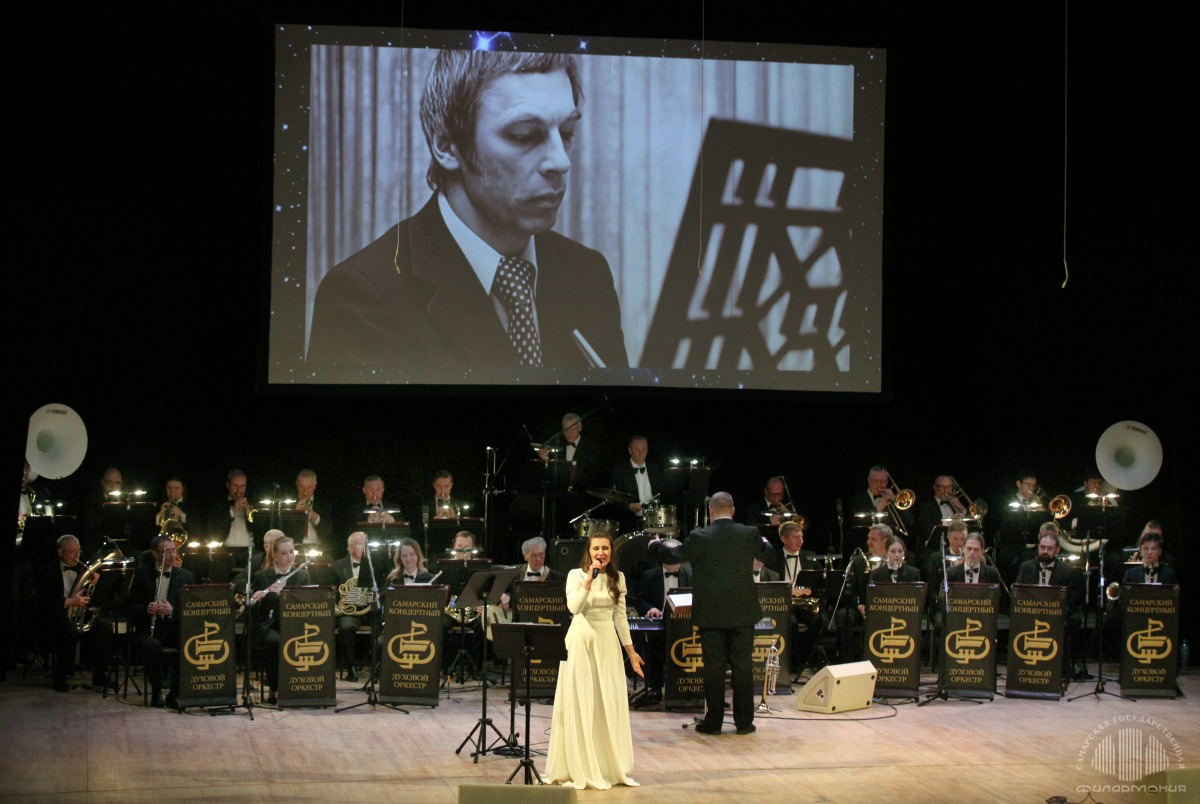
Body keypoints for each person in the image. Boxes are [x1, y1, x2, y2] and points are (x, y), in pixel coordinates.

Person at [306, 50, 628, 378]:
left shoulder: (588, 275)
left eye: (567, 132)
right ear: (447, 146)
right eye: (524, 135)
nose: (561, 162)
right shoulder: (363, 298)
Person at [657, 491, 767, 736]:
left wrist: (655, 545)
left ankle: (713, 723)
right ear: (733, 510)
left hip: (711, 613)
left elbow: (673, 556)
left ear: (711, 512)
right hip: (743, 611)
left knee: (714, 668)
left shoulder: (699, 536)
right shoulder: (749, 533)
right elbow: (765, 550)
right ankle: (744, 723)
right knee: (743, 667)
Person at [544, 532, 643, 789]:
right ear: (588, 552)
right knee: (582, 700)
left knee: (605, 701)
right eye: (596, 548)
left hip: (607, 642)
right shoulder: (575, 576)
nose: (601, 553)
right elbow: (574, 608)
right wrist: (589, 580)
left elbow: (620, 618)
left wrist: (631, 652)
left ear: (611, 552)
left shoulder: (618, 578)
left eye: (605, 548)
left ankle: (604, 765)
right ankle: (579, 765)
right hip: (581, 641)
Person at [36, 534, 114, 692]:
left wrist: (96, 585)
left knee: (105, 627)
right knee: (68, 631)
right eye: (72, 552)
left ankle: (99, 675)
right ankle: (61, 676)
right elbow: (43, 602)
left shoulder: (82, 570)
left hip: (79, 613)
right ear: (60, 552)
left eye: (79, 551)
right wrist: (70, 602)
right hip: (56, 615)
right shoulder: (47, 572)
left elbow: (95, 599)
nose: (77, 556)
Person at [127, 535, 194, 708]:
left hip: (173, 628)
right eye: (167, 552)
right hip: (148, 629)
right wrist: (146, 609)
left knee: (189, 643)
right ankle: (156, 692)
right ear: (155, 554)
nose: (172, 555)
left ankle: (174, 694)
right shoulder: (141, 574)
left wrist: (172, 611)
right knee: (152, 646)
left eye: (174, 551)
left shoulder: (185, 576)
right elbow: (129, 606)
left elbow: (191, 609)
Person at [249, 536, 310, 704]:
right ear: (275, 555)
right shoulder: (262, 576)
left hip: (294, 624)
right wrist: (256, 599)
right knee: (274, 642)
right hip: (269, 626)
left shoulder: (303, 576)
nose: (289, 556)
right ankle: (274, 688)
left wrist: (283, 595)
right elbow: (256, 612)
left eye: (291, 551)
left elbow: (305, 606)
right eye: (284, 553)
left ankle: (298, 687)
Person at [331, 532, 376, 683]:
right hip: (349, 611)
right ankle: (351, 667)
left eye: (365, 544)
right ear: (350, 547)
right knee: (346, 627)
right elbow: (333, 591)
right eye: (359, 544)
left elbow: (382, 587)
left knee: (385, 624)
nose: (364, 548)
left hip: (369, 609)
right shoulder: (337, 566)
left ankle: (378, 666)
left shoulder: (374, 563)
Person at [846, 465, 914, 559]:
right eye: (876, 481)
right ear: (869, 481)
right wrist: (877, 507)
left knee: (910, 557)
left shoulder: (892, 500)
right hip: (866, 545)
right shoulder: (857, 500)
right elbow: (856, 523)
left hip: (890, 545)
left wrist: (895, 501)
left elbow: (910, 521)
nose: (880, 485)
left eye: (883, 481)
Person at [609, 435, 664, 533]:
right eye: (637, 449)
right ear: (630, 450)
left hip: (654, 520)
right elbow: (615, 497)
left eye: (644, 449)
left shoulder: (655, 469)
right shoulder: (619, 470)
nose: (641, 453)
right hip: (630, 521)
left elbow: (663, 492)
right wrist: (628, 505)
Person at [292, 469, 330, 549]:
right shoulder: (289, 504)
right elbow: (284, 531)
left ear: (315, 486)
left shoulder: (324, 505)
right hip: (294, 547)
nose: (305, 491)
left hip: (318, 547)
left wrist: (316, 518)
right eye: (301, 487)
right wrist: (295, 513)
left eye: (309, 487)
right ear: (297, 485)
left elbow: (330, 532)